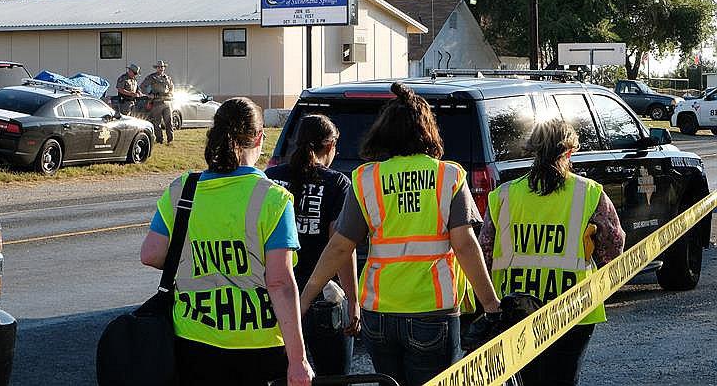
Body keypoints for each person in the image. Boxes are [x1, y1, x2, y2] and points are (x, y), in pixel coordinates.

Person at [299, 82, 501, 386]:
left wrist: (304, 299)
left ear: (384, 132)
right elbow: (465, 246)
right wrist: (490, 303)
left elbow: (340, 246)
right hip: (433, 311)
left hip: (379, 313)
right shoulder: (449, 176)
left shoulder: (367, 178)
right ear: (428, 130)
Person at [140, 97, 313, 386]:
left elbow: (151, 254)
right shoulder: (272, 198)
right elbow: (280, 283)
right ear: (259, 137)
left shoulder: (183, 190)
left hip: (194, 339)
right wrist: (298, 361)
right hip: (258, 344)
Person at [478, 119, 625, 386]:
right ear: (569, 152)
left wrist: (487, 301)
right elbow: (614, 242)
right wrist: (602, 273)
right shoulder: (589, 192)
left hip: (516, 308)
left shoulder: (504, 195)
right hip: (574, 308)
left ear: (533, 150)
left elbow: (485, 248)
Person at [265, 115, 359, 376]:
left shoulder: (270, 178)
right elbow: (341, 247)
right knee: (333, 377)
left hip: (275, 296)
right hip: (323, 299)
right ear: (330, 147)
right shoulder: (337, 183)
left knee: (284, 375)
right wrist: (353, 300)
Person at [140, 60, 175, 144]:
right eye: (159, 67)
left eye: (162, 67)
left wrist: (171, 93)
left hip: (167, 101)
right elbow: (142, 86)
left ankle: (170, 139)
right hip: (157, 102)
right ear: (156, 68)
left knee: (169, 121)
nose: (161, 68)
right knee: (157, 122)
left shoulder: (167, 78)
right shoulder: (151, 77)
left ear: (164, 68)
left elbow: (172, 87)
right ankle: (159, 139)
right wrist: (148, 94)